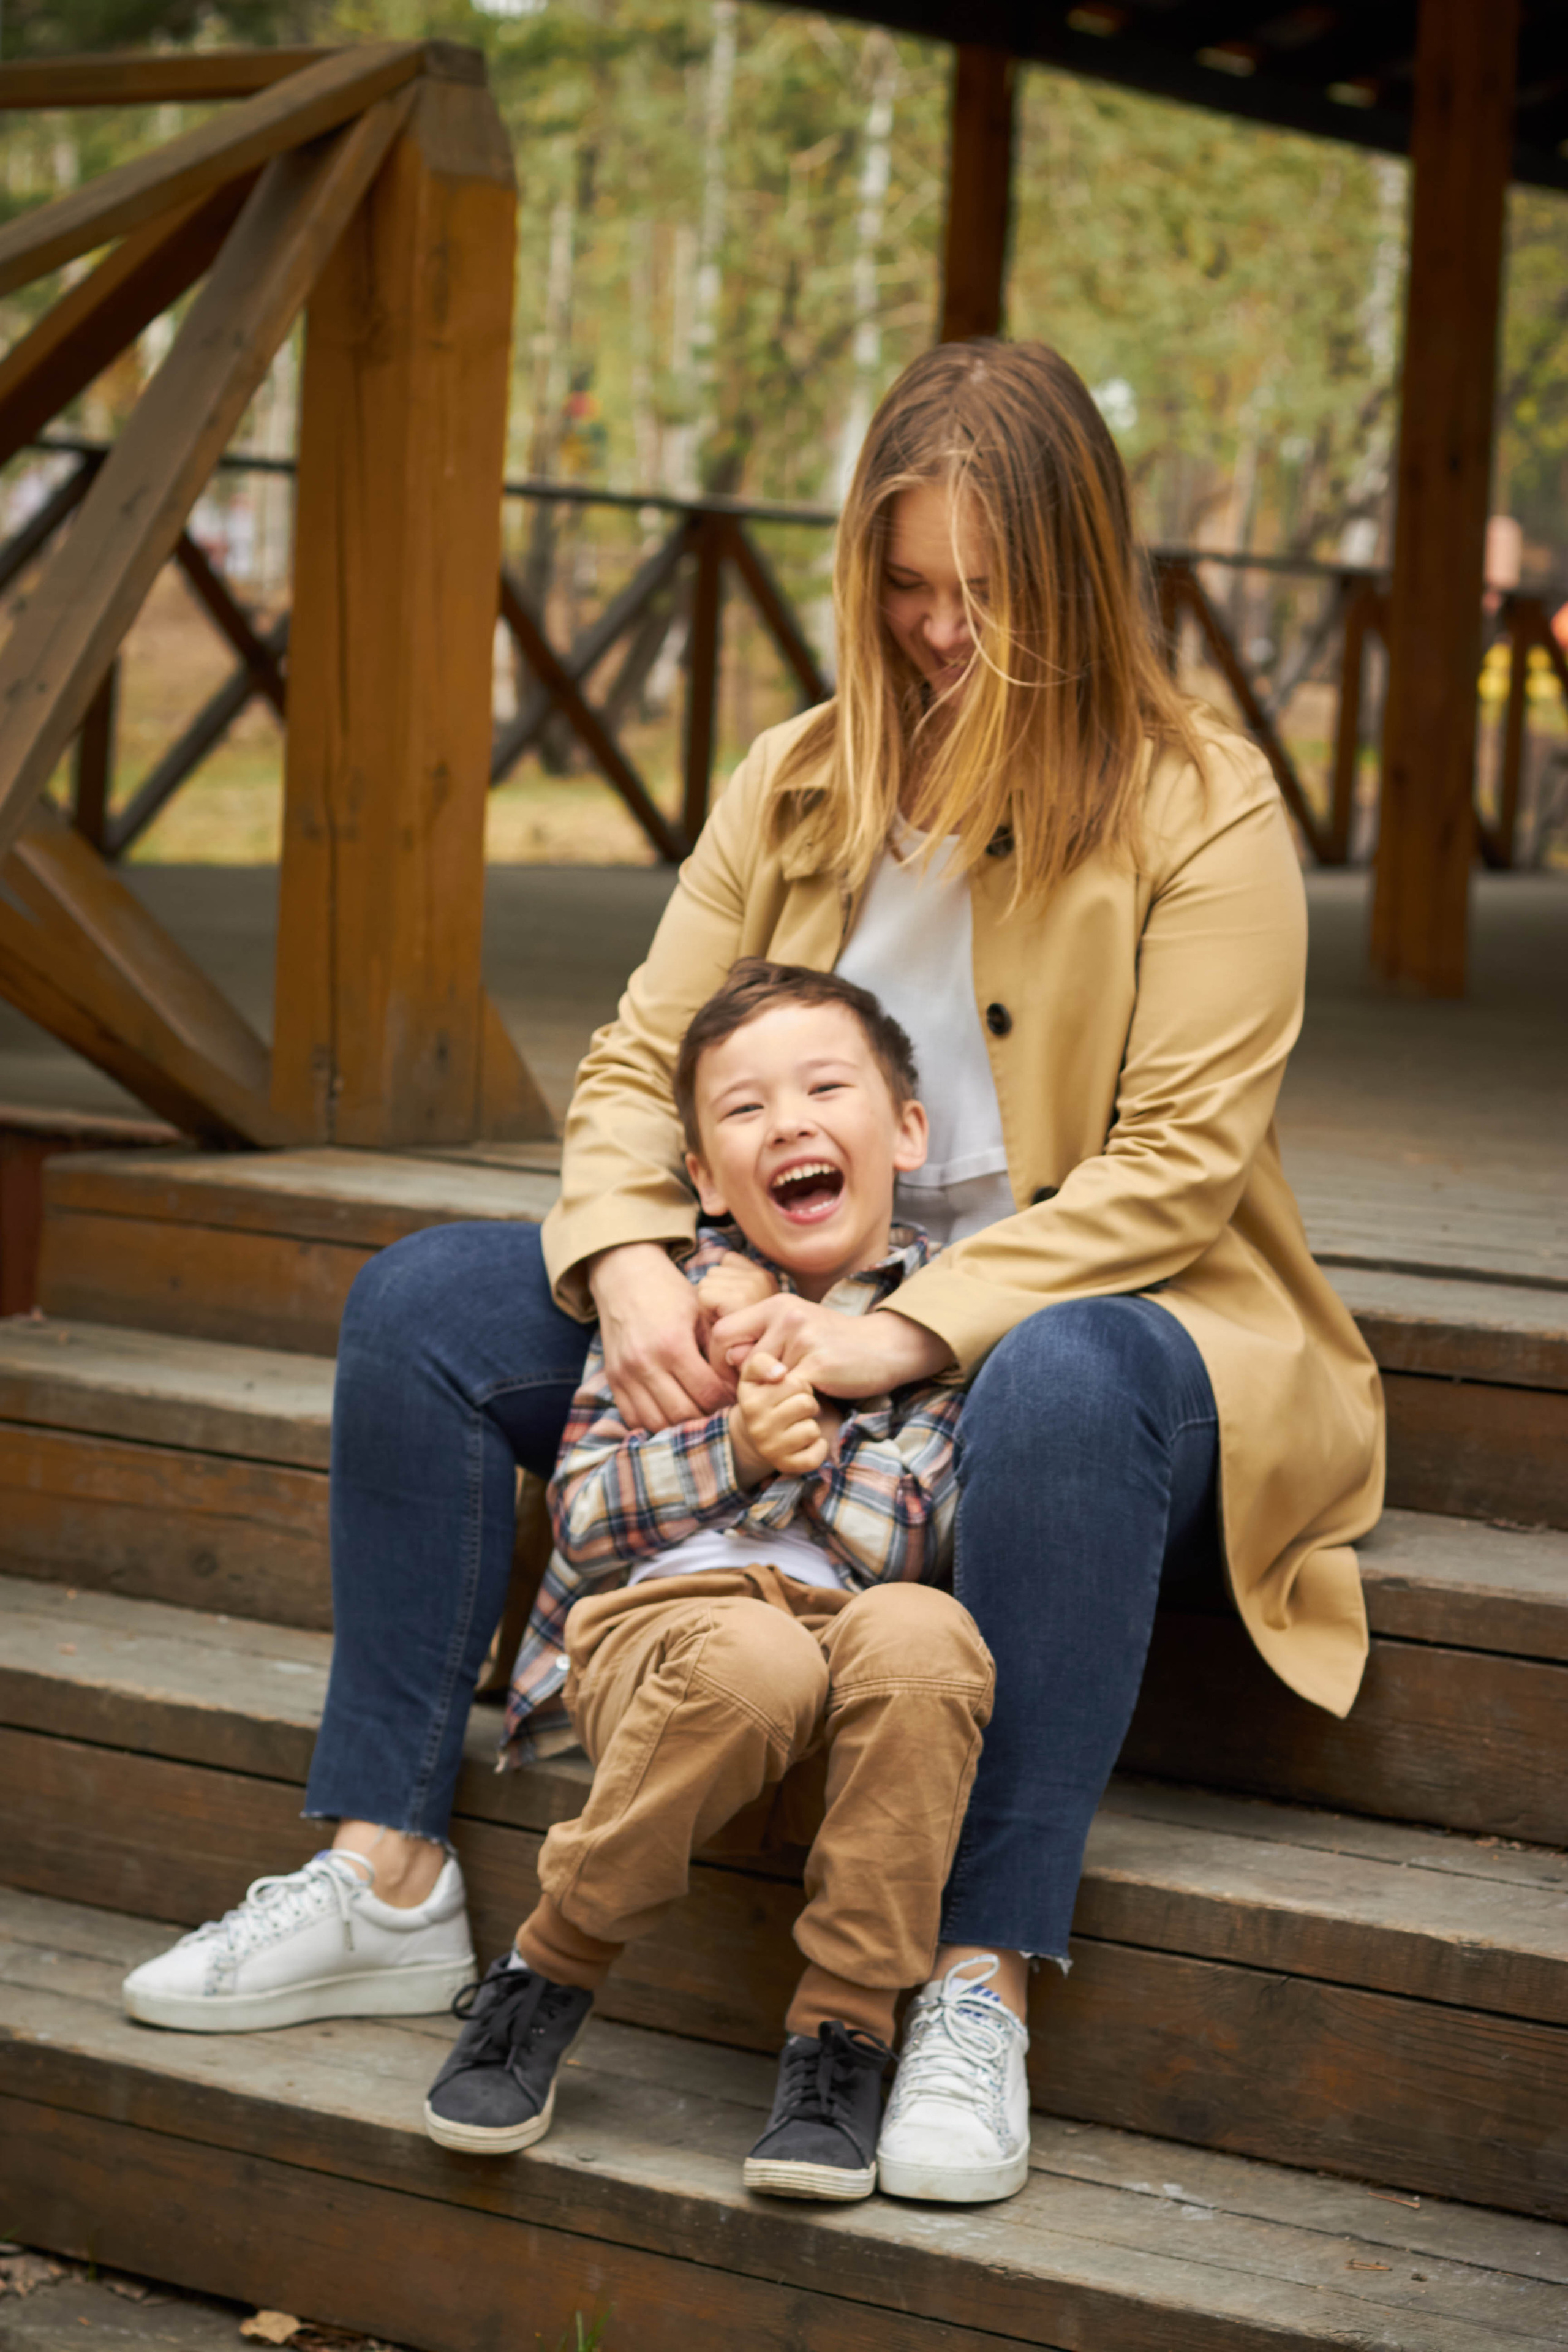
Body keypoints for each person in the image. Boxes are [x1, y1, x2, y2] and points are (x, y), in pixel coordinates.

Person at [123, 338, 1383, 2209]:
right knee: (418, 1312)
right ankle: (386, 1872)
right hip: (762, 1305)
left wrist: (892, 1331)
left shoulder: (1207, 803)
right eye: (906, 585)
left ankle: (977, 1981)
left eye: (989, 591)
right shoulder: (801, 776)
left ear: (1079, 575)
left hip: (1090, 1339)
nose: (944, 632)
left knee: (1060, 1382)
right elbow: (642, 1061)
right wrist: (634, 1263)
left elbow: (1174, 1171)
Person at [421, 959, 995, 2200]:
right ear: (701, 1174)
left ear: (904, 1130)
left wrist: (811, 1418)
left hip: (855, 1635)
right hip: (663, 1629)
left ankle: (843, 2030)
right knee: (751, 1657)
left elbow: (911, 1535)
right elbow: (580, 1515)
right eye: (742, 1109)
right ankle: (546, 1968)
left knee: (929, 1638)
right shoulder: (666, 1306)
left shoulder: (946, 1319)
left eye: (825, 1086)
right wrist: (732, 1443)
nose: (786, 1120)